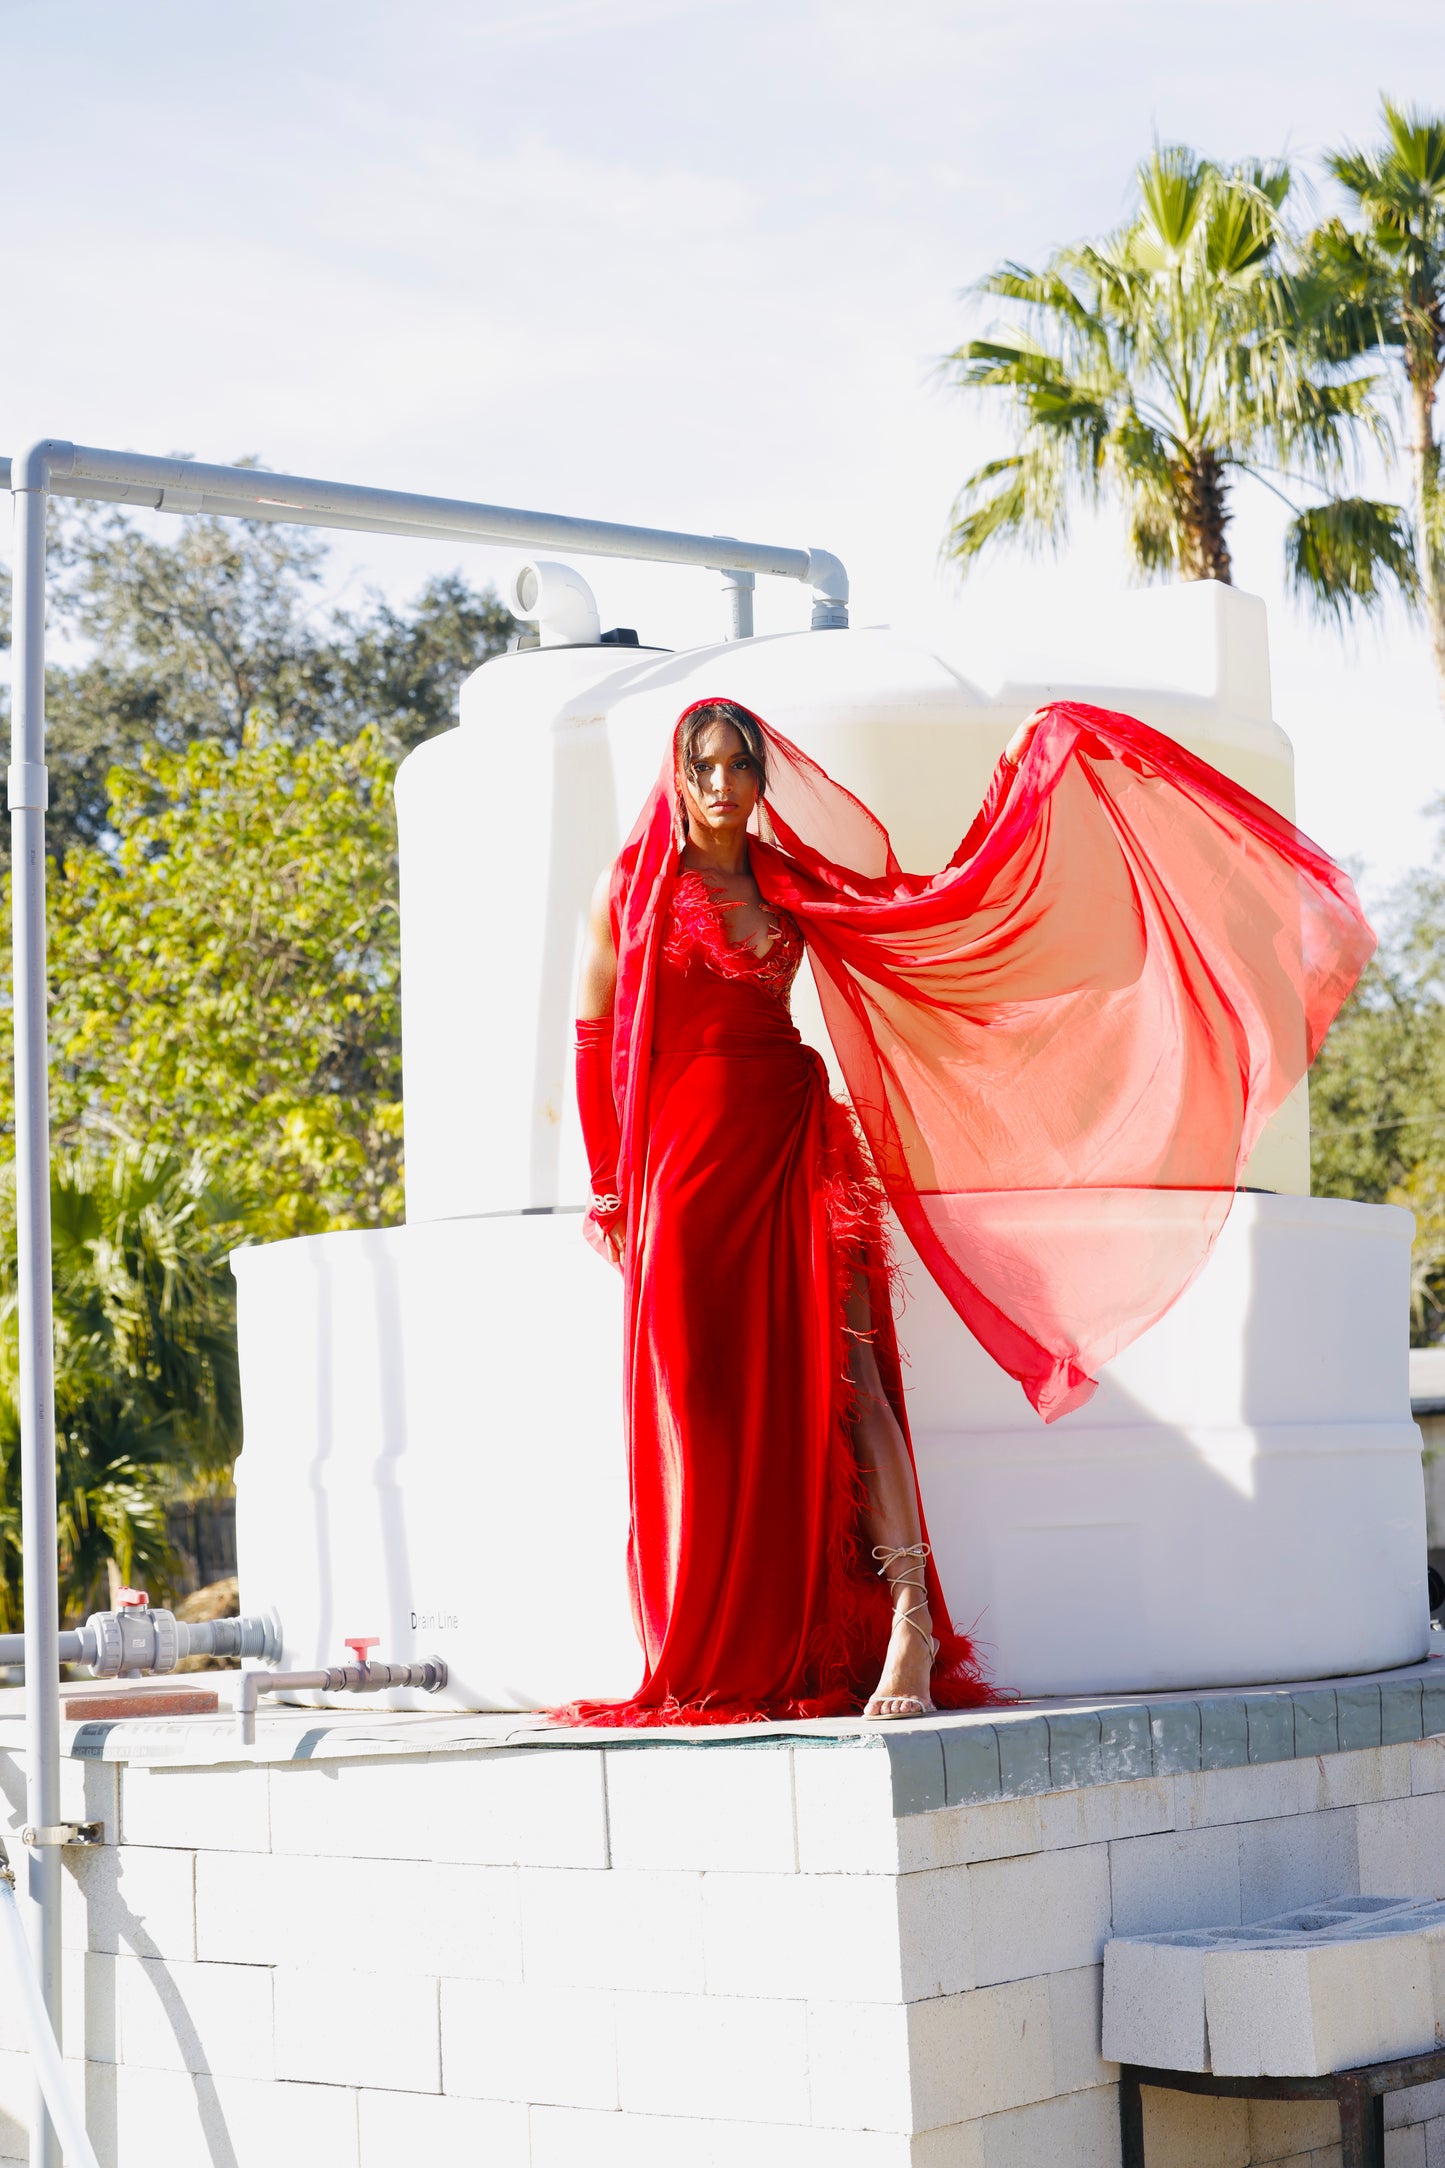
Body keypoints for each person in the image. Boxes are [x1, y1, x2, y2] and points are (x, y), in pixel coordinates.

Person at [569, 695, 1373, 1726]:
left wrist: (1014, 782)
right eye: (704, 766)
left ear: (764, 780)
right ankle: (740, 1638)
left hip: (788, 1145)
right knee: (704, 1400)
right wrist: (608, 1188)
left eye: (740, 766)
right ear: (676, 775)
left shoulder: (788, 880)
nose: (722, 785)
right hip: (681, 1172)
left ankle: (908, 1622)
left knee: (848, 1376)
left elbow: (919, 907)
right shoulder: (628, 889)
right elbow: (595, 1038)